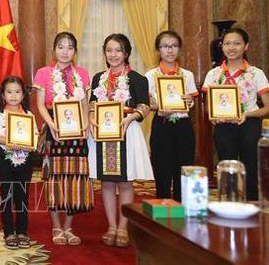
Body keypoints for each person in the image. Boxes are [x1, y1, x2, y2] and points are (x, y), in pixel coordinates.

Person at [88, 33, 153, 248]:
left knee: (125, 182)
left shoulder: (137, 78)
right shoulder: (98, 78)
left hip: (127, 132)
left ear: (126, 53)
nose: (113, 55)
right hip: (104, 135)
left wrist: (130, 117)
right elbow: (91, 105)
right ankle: (112, 226)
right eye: (109, 50)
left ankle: (124, 226)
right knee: (106, 182)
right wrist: (90, 118)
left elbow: (144, 106)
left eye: (118, 50)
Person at [33, 32, 92, 246]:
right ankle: (56, 226)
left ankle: (69, 226)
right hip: (54, 131)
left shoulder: (83, 74)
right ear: (54, 49)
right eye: (60, 46)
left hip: (77, 134)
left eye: (69, 47)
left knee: (74, 180)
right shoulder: (43, 73)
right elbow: (41, 104)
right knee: (55, 180)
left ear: (75, 51)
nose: (65, 51)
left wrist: (85, 124)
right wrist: (51, 124)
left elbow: (85, 104)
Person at [202, 27, 269, 201]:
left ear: (246, 46)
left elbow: (267, 107)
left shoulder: (256, 73)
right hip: (224, 126)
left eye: (237, 43)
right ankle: (229, 204)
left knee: (251, 167)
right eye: (227, 44)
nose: (231, 48)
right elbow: (209, 106)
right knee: (226, 167)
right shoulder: (214, 74)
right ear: (222, 47)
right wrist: (214, 116)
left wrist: (248, 115)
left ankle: (253, 206)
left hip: (249, 125)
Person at [145, 30, 197, 201]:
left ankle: (182, 208)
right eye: (165, 46)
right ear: (158, 50)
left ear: (179, 49)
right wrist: (158, 107)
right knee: (162, 170)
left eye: (174, 46)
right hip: (162, 123)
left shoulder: (187, 75)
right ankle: (162, 207)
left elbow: (191, 102)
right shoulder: (150, 76)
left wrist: (189, 101)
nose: (170, 50)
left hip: (183, 126)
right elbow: (148, 104)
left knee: (183, 169)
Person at [0, 76, 37, 250]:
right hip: (5, 158)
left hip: (24, 160)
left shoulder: (28, 115)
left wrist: (29, 145)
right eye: (9, 92)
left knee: (22, 196)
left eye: (17, 92)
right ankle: (9, 232)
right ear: (3, 95)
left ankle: (22, 231)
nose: (13, 95)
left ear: (23, 95)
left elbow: (34, 136)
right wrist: (8, 141)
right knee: (7, 196)